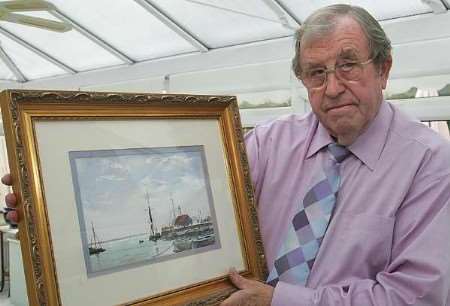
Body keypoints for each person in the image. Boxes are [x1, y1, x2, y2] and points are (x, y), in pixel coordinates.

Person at [3, 4, 450, 306]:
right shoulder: (268, 142)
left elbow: (413, 297)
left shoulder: (431, 165)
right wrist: (52, 213)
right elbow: (198, 201)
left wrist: (279, 301)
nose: (332, 87)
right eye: (316, 73)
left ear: (384, 68)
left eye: (348, 65)